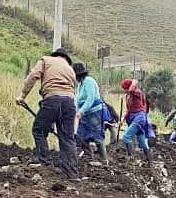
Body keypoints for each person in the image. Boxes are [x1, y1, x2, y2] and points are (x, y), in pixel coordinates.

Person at [17, 49, 79, 180]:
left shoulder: (46, 60)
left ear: (55, 56)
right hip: (69, 103)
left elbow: (33, 75)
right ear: (65, 58)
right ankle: (72, 173)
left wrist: (22, 95)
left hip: (52, 100)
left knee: (39, 131)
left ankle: (46, 163)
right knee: (67, 138)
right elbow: (72, 91)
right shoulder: (70, 69)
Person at [73, 63, 108, 162]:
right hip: (85, 114)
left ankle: (104, 160)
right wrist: (77, 112)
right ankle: (89, 158)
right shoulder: (80, 85)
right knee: (81, 136)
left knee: (97, 136)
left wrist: (81, 111)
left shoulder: (89, 81)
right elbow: (77, 100)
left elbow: (90, 98)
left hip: (94, 112)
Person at [121, 79, 153, 163]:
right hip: (134, 118)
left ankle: (131, 158)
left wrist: (134, 81)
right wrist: (123, 119)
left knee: (126, 137)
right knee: (142, 142)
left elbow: (131, 90)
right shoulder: (129, 97)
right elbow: (129, 110)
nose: (125, 91)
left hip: (139, 118)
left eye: (125, 88)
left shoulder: (137, 92)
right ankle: (150, 161)